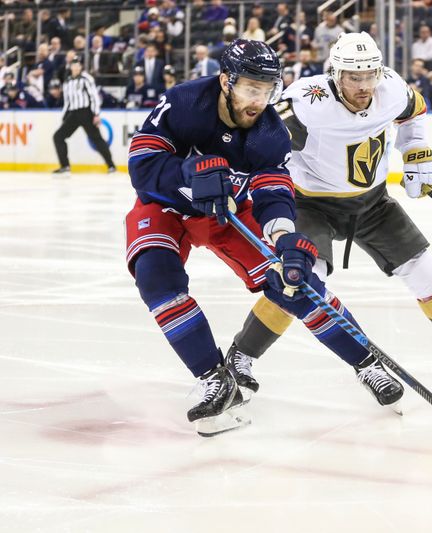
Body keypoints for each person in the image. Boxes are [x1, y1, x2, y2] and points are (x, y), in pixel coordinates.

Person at [125, 39, 402, 436]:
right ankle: (213, 377)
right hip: (164, 206)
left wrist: (285, 237)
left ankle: (366, 362)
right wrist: (188, 172)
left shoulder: (270, 133)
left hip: (229, 213)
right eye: (250, 88)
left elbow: (273, 192)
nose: (259, 100)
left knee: (295, 281)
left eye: (268, 90)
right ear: (226, 81)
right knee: (156, 276)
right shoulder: (185, 102)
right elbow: (142, 164)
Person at [229, 32, 432, 408]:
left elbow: (415, 111)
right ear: (335, 73)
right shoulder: (308, 103)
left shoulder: (391, 88)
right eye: (354, 77)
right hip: (312, 205)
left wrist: (416, 150)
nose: (364, 86)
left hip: (372, 201)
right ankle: (241, 356)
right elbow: (258, 142)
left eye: (370, 75)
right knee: (300, 283)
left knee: (424, 267)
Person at [52, 56, 116, 175]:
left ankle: (111, 166)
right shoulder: (67, 81)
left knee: (97, 139)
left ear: (81, 66)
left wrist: (96, 113)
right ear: (70, 66)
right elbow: (67, 102)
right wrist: (64, 117)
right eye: (73, 64)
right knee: (58, 137)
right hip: (73, 113)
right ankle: (65, 166)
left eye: (78, 64)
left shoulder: (86, 79)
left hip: (86, 112)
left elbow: (94, 97)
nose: (76, 67)